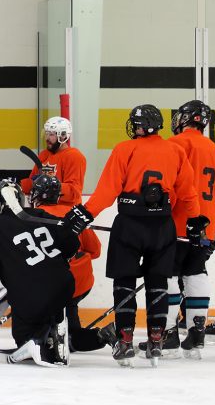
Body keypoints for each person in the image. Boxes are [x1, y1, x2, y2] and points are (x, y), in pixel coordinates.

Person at [63, 104, 198, 366]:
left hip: (130, 224)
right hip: (162, 226)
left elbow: (107, 190)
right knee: (157, 282)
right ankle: (156, 338)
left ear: (141, 126)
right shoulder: (176, 150)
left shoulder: (125, 149)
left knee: (124, 281)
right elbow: (189, 193)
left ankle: (125, 338)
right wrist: (196, 221)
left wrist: (84, 213)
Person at [158, 99, 215, 358]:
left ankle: (167, 336)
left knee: (168, 275)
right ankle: (196, 334)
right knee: (196, 273)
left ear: (183, 119)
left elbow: (167, 185)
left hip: (178, 224)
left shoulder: (174, 144)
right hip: (206, 228)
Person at [0, 180, 79, 366]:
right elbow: (72, 243)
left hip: (31, 293)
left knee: (23, 329)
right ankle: (51, 335)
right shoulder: (39, 214)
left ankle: (34, 343)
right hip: (64, 284)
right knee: (46, 309)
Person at [27, 174, 108, 352]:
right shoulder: (73, 214)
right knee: (68, 312)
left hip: (52, 284)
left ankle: (60, 336)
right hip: (82, 282)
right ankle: (99, 335)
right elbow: (95, 251)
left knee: (52, 326)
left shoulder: (31, 218)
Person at [20, 117, 86, 206]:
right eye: (46, 134)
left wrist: (50, 186)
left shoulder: (74, 156)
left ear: (63, 136)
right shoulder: (44, 155)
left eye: (51, 134)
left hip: (65, 212)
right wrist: (17, 187)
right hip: (42, 209)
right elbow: (33, 183)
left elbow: (74, 193)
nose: (47, 138)